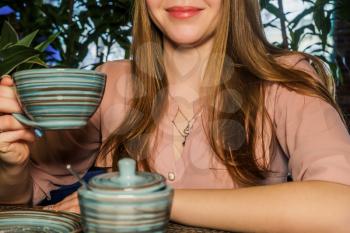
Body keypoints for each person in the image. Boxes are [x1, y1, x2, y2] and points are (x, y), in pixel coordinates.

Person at [1, 0, 350, 232]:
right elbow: (26, 197)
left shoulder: (286, 80)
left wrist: (153, 200)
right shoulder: (110, 82)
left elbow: (341, 207)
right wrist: (13, 164)